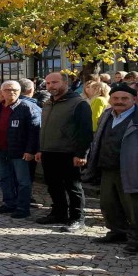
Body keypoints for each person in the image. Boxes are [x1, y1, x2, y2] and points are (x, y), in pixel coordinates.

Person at [86, 85, 138, 253]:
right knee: (109, 204)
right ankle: (118, 232)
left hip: (135, 170)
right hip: (108, 168)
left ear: (134, 99)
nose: (119, 102)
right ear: (110, 99)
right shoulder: (106, 115)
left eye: (124, 98)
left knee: (137, 208)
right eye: (116, 98)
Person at [35, 72, 93, 232]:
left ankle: (77, 218)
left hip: (68, 153)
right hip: (48, 151)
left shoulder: (79, 104)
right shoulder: (47, 104)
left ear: (65, 83)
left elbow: (85, 132)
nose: (50, 86)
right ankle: (59, 213)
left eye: (54, 82)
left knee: (73, 187)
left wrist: (81, 154)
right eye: (47, 83)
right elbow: (44, 128)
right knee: (53, 186)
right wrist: (41, 148)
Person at [0, 81, 41, 218]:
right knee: (4, 178)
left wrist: (30, 151)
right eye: (8, 90)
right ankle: (9, 204)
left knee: (23, 181)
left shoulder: (28, 107)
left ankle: (23, 207)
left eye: (15, 90)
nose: (11, 92)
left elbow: (35, 132)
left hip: (20, 151)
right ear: (1, 92)